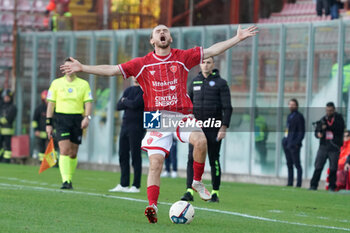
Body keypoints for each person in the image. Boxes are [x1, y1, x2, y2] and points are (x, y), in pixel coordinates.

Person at [60, 24, 258, 223]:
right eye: (158, 31)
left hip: (181, 114)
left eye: (165, 31)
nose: (162, 32)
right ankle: (152, 206)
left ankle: (196, 182)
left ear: (170, 39)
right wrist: (83, 67)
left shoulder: (182, 57)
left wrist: (237, 38)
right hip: (156, 118)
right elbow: (112, 70)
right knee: (155, 164)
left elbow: (213, 50)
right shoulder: (142, 63)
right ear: (152, 41)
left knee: (201, 141)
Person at [181, 57, 232, 203]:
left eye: (208, 62)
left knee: (214, 159)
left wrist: (223, 127)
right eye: (203, 62)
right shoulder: (195, 81)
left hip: (214, 128)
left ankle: (215, 192)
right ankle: (189, 190)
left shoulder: (221, 83)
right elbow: (188, 104)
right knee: (192, 158)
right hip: (196, 128)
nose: (205, 65)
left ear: (213, 65)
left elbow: (227, 107)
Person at [46, 58, 93, 190]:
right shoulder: (56, 83)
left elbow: (88, 102)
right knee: (64, 150)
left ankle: (69, 178)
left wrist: (87, 117)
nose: (68, 69)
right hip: (61, 118)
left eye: (70, 66)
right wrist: (48, 123)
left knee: (73, 153)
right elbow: (51, 104)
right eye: (65, 67)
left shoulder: (83, 84)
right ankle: (65, 180)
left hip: (77, 119)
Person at [109, 78, 145, 193]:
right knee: (122, 154)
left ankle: (136, 185)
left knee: (135, 155)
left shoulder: (144, 91)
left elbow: (135, 104)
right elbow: (118, 106)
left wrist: (125, 101)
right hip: (125, 126)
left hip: (137, 127)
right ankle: (123, 184)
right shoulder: (128, 90)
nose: (135, 77)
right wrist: (126, 102)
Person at [309, 102, 345, 191]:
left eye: (330, 110)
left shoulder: (339, 118)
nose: (329, 112)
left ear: (334, 110)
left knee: (333, 167)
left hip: (334, 147)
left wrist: (328, 127)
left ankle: (332, 186)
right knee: (318, 166)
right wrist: (318, 134)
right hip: (324, 146)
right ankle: (313, 185)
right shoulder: (323, 120)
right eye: (327, 110)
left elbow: (340, 128)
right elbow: (317, 132)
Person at [282, 99, 305, 187]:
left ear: (297, 106)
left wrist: (296, 143)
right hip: (287, 143)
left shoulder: (299, 117)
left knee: (297, 164)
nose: (291, 106)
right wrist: (284, 140)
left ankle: (299, 183)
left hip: (294, 145)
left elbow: (301, 132)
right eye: (290, 104)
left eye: (293, 104)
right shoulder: (289, 116)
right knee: (289, 164)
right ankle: (290, 182)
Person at [0, 89, 17, 163]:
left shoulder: (13, 107)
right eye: (5, 97)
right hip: (1, 130)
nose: (6, 98)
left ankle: (6, 160)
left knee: (7, 146)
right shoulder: (2, 106)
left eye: (7, 97)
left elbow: (8, 119)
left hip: (7, 130)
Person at [32, 90, 49, 161]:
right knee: (41, 148)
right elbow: (34, 120)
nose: (47, 101)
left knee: (52, 148)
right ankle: (42, 161)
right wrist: (36, 130)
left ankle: (53, 162)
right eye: (45, 99)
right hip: (41, 133)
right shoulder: (39, 108)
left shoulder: (54, 108)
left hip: (51, 133)